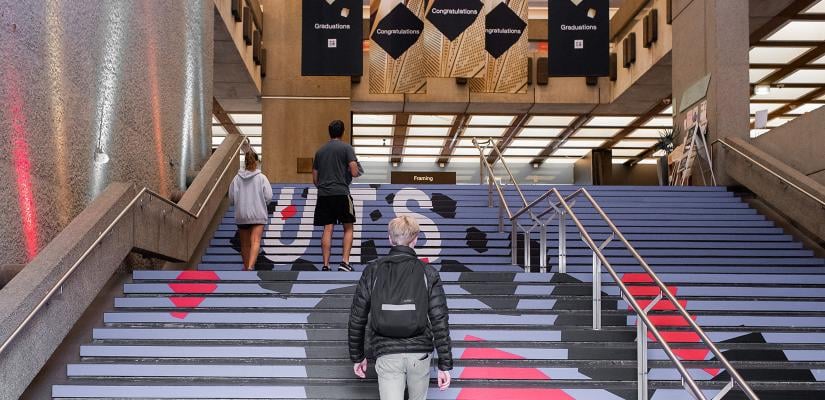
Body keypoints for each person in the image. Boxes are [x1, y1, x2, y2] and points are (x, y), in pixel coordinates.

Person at [348, 216, 452, 400]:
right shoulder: (428, 272)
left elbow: (358, 317)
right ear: (416, 239)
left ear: (390, 238)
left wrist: (357, 356)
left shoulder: (373, 270)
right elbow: (439, 319)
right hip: (419, 354)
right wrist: (444, 364)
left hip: (387, 353)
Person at [313, 120, 362, 272]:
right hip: (341, 193)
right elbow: (355, 172)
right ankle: (344, 262)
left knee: (328, 229)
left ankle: (326, 265)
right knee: (348, 228)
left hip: (324, 195)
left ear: (329, 131)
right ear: (343, 132)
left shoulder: (320, 152)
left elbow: (315, 179)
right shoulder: (347, 148)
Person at [228, 150, 273, 271]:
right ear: (257, 162)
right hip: (258, 213)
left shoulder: (236, 179)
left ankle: (246, 265)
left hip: (242, 214)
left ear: (245, 162)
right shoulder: (262, 178)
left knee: (244, 244)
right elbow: (269, 196)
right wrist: (263, 203)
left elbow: (231, 198)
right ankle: (250, 266)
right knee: (255, 241)